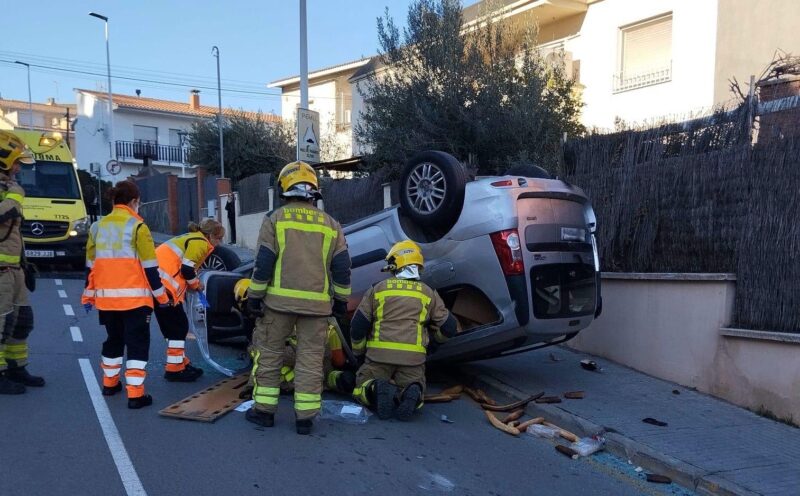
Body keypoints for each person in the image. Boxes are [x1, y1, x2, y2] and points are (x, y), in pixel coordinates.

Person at [244, 161, 351, 435]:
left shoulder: (275, 219)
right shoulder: (332, 225)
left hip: (278, 305)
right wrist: (340, 302)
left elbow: (263, 263)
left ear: (285, 188)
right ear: (314, 190)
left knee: (269, 355)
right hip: (317, 307)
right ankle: (305, 418)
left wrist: (254, 297)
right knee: (311, 360)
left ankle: (264, 412)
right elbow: (341, 268)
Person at [82, 180, 170, 409]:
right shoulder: (138, 227)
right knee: (137, 344)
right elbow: (151, 269)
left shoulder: (97, 227)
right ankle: (136, 395)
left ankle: (109, 384)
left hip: (107, 300)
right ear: (134, 201)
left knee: (114, 340)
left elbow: (91, 267)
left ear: (113, 200)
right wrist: (162, 298)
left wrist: (89, 295)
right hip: (135, 301)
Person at [351, 240, 457, 421]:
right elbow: (449, 327)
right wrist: (433, 345)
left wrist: (359, 354)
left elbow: (358, 325)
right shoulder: (428, 293)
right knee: (415, 385)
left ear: (396, 264)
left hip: (379, 356)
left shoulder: (378, 289)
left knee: (361, 387)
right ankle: (411, 392)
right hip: (413, 359)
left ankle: (376, 389)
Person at [234, 278, 355, 397]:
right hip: (317, 366)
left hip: (300, 375)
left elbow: (263, 358)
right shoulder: (299, 313)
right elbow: (339, 361)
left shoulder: (267, 326)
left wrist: (252, 384)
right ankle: (335, 379)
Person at [0, 130, 44, 394]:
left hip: (14, 269)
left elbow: (14, 233)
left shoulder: (9, 189)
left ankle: (16, 366)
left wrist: (25, 264)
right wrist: (15, 196)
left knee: (22, 321)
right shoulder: (11, 192)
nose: (18, 168)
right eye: (16, 162)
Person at [154, 218, 225, 382]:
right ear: (210, 236)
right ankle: (174, 369)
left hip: (157, 283)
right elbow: (187, 269)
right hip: (165, 286)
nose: (219, 244)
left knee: (173, 326)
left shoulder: (191, 237)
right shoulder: (200, 243)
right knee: (179, 327)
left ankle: (180, 362)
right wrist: (196, 285)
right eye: (218, 238)